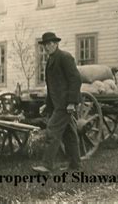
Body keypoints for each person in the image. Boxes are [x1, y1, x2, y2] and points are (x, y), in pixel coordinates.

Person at [32, 32, 82, 173]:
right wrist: (47, 105)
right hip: (58, 104)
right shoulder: (50, 60)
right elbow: (52, 86)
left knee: (52, 131)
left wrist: (72, 102)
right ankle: (75, 165)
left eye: (49, 44)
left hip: (65, 104)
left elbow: (75, 80)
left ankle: (46, 165)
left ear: (56, 44)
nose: (46, 47)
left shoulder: (64, 57)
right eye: (44, 45)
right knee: (69, 134)